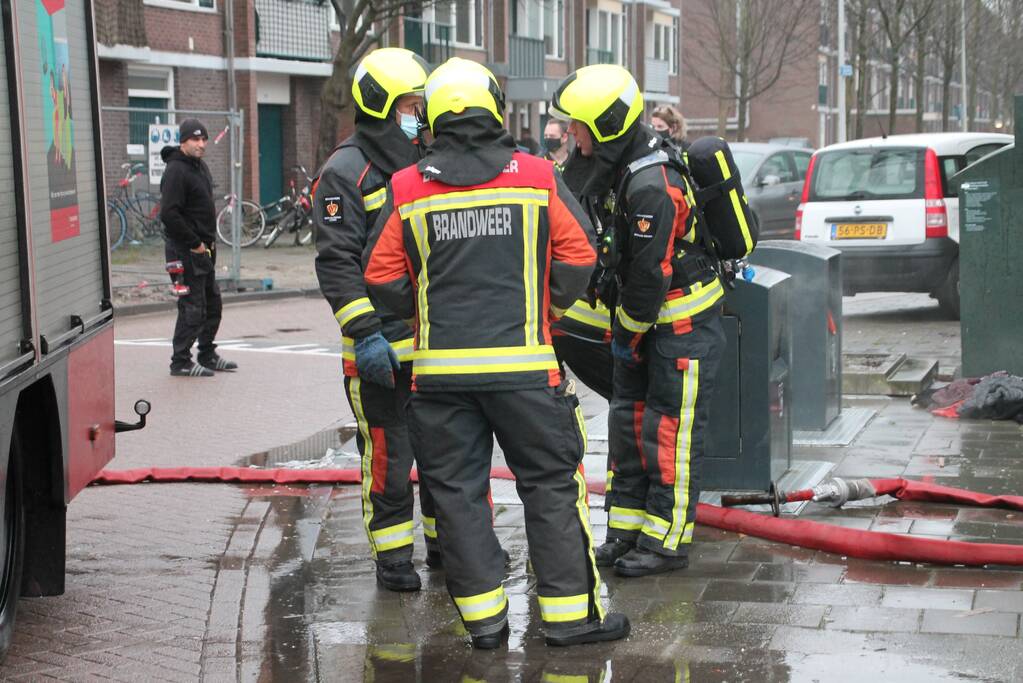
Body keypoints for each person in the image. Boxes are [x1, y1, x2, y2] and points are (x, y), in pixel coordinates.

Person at [364, 57, 629, 649]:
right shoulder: (535, 176)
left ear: (432, 117)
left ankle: (485, 624)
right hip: (526, 373)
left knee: (457, 497)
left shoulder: (406, 187)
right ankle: (568, 620)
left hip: (439, 380)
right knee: (551, 487)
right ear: (493, 110)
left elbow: (380, 275)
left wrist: (422, 311)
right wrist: (548, 309)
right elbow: (581, 254)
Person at [550, 65, 725, 577]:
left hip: (680, 327)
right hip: (641, 324)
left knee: (668, 434)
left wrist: (626, 332)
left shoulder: (652, 184)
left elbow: (651, 275)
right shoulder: (613, 168)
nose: (571, 136)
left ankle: (666, 542)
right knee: (627, 428)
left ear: (604, 125)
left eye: (577, 126)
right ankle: (625, 532)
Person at [313, 48, 439, 592]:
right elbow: (336, 262)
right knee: (388, 459)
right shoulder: (345, 173)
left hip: (431, 345)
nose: (420, 116)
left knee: (441, 455)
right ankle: (392, 560)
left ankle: (447, 547)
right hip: (379, 348)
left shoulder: (421, 164)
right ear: (384, 106)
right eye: (412, 106)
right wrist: (364, 333)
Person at [160, 118, 237, 377]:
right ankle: (180, 361)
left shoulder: (200, 167)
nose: (201, 144)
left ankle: (207, 354)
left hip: (204, 250)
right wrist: (194, 244)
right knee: (192, 307)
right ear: (183, 141)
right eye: (195, 139)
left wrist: (205, 245)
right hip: (186, 251)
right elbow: (169, 214)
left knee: (212, 304)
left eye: (204, 139)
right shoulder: (176, 171)